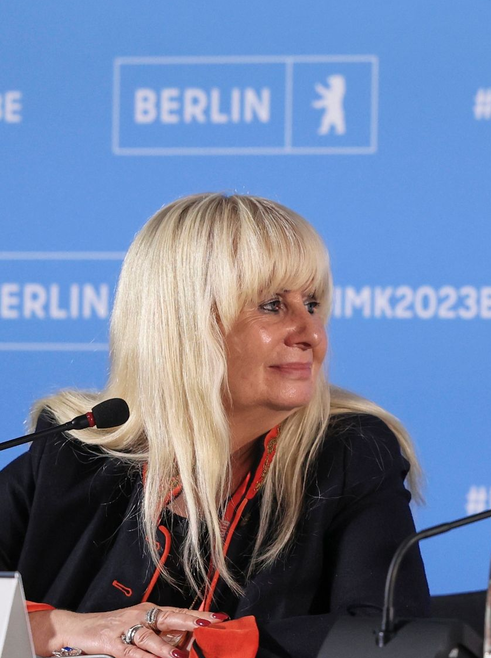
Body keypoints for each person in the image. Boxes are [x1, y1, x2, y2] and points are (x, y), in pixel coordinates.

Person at [0, 194, 430, 658]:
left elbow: (394, 638)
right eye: (271, 305)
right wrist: (61, 628)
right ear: (183, 321)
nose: (311, 333)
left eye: (312, 304)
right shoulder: (76, 452)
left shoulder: (350, 454)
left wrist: (196, 644)